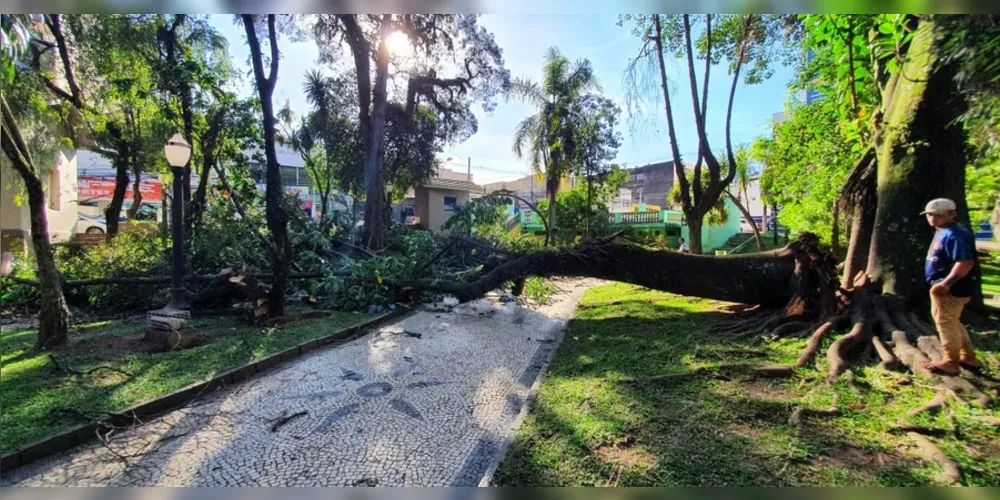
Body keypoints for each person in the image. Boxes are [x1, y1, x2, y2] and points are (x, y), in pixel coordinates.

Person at [919, 198, 980, 375]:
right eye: (929, 215)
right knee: (952, 321)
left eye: (938, 215)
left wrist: (946, 284)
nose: (932, 218)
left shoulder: (954, 234)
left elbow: (965, 262)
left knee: (945, 323)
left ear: (951, 214)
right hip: (945, 287)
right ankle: (968, 357)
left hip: (952, 289)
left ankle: (951, 362)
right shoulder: (943, 230)